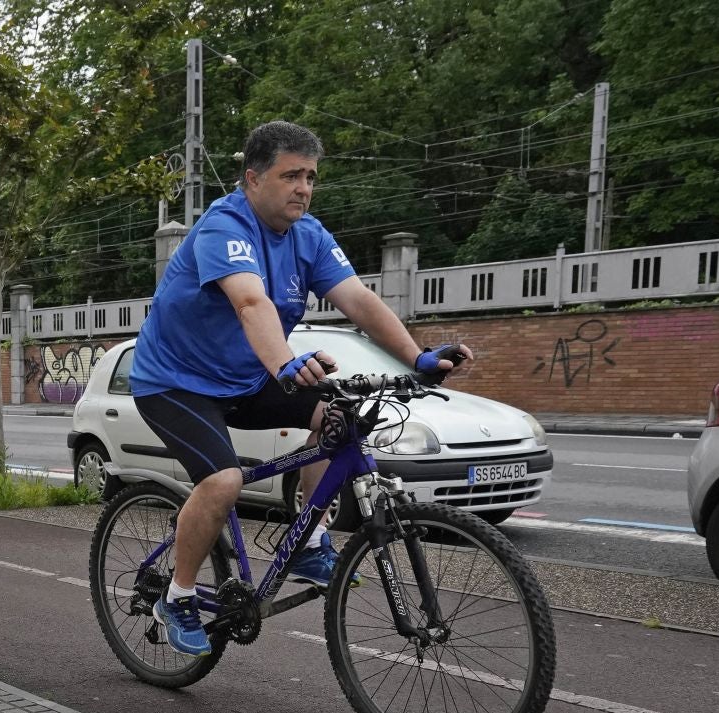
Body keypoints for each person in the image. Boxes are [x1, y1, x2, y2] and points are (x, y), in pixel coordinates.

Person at [130, 120, 471, 657]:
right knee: (221, 482)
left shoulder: (308, 235)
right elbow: (251, 303)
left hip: (245, 377)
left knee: (340, 420)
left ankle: (309, 542)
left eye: (311, 177)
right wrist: (287, 363)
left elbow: (359, 300)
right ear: (252, 178)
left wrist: (418, 356)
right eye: (291, 175)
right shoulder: (225, 226)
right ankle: (178, 594)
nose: (304, 189)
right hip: (175, 381)